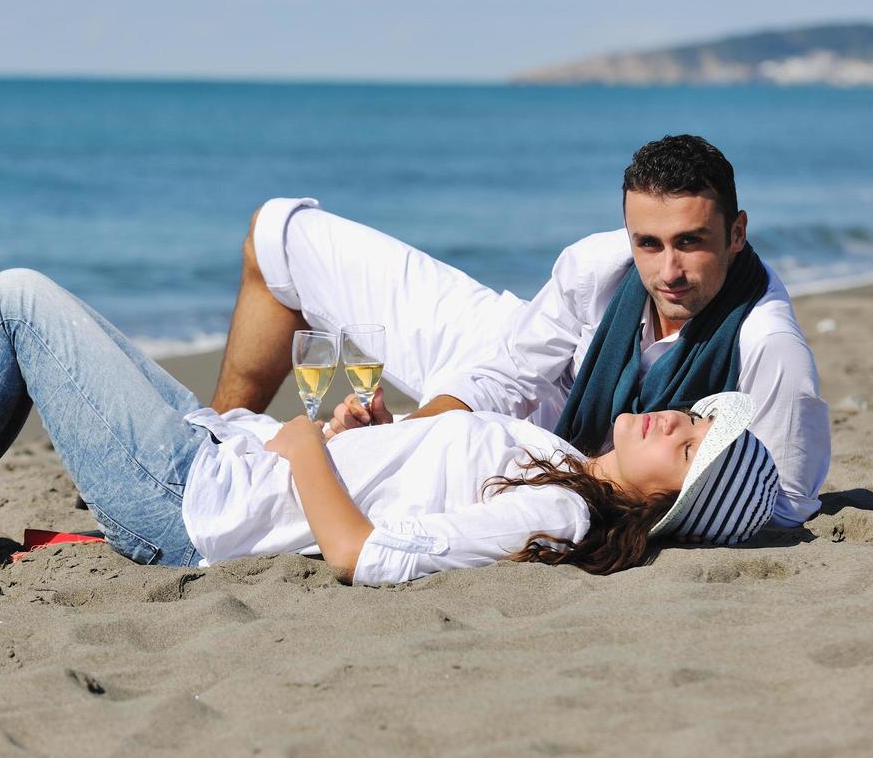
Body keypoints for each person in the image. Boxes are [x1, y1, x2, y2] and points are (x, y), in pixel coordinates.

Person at [0, 269, 780, 586]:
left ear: (667, 498)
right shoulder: (558, 452)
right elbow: (400, 492)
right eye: (692, 416)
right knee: (35, 312)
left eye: (685, 445)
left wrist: (304, 449)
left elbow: (367, 554)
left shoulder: (558, 507)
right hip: (220, 449)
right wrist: (355, 437)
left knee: (16, 301)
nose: (669, 418)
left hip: (193, 500)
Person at [209, 134, 830, 526]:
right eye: (649, 242)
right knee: (278, 236)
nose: (668, 270)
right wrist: (404, 436)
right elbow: (508, 372)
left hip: (552, 455)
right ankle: (215, 448)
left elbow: (786, 502)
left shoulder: (768, 346)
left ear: (737, 233)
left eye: (691, 243)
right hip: (513, 365)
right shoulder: (597, 266)